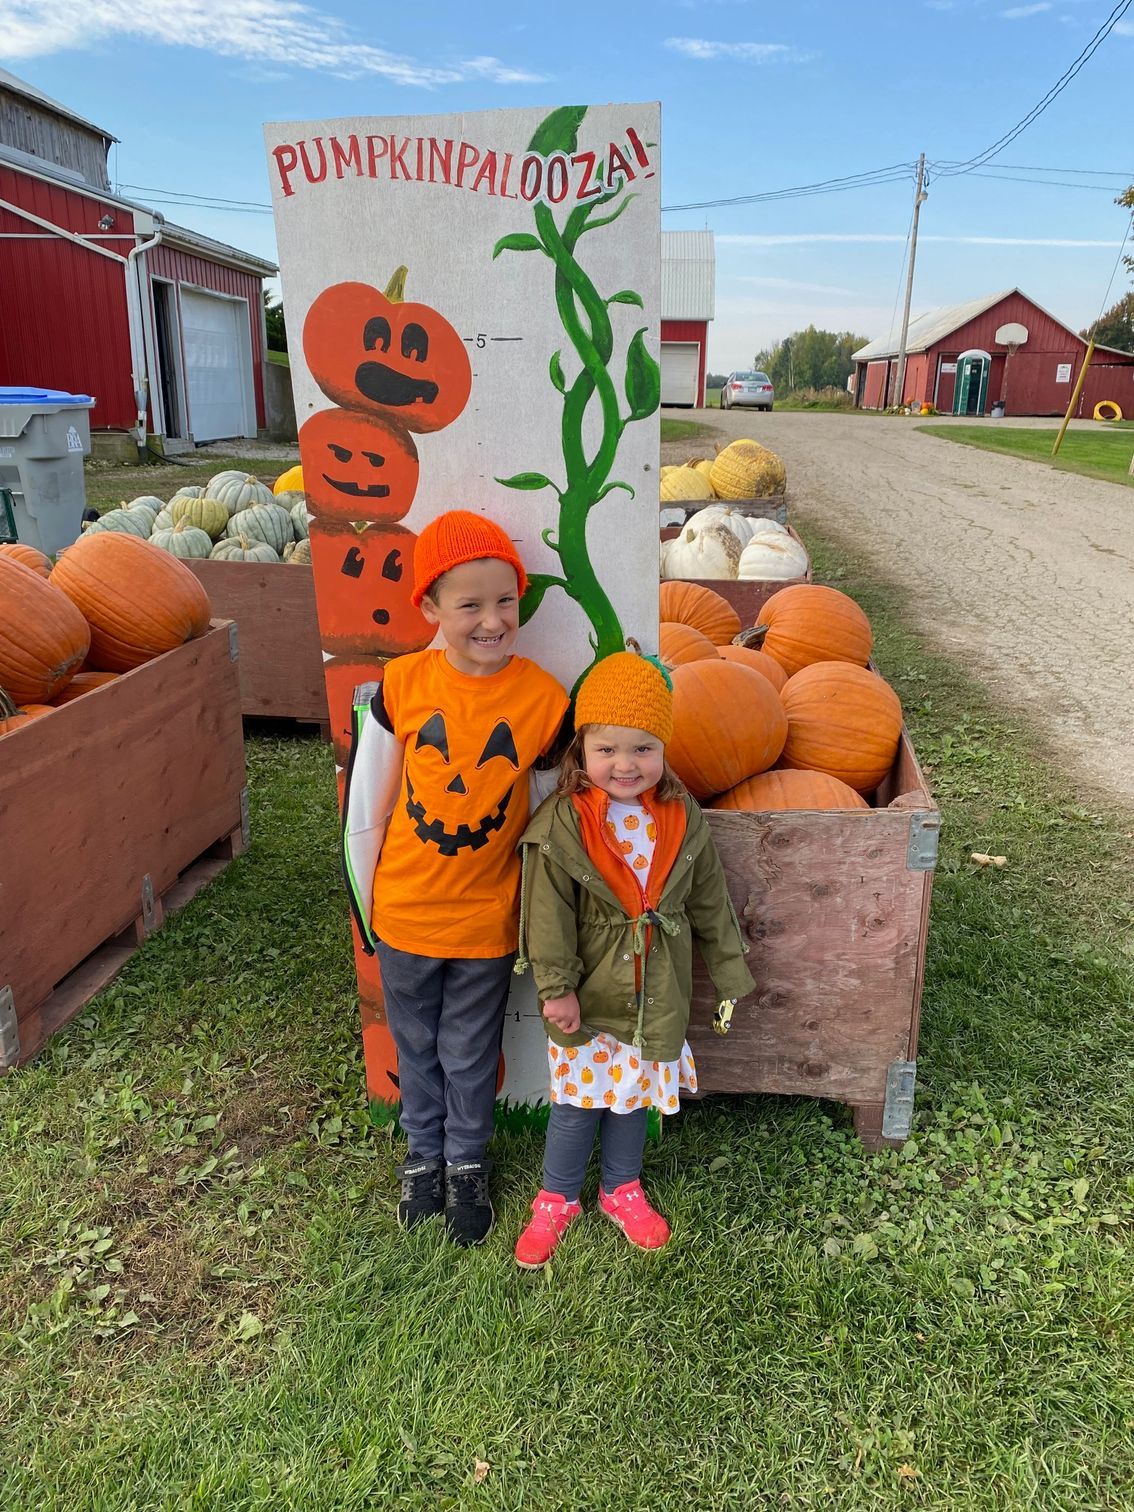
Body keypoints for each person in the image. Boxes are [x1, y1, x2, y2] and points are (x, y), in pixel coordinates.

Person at [342, 510, 568, 1247]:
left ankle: (466, 1163)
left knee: (470, 1050)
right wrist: (368, 913)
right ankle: (422, 1159)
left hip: (485, 923)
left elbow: (542, 825)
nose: (492, 620)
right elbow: (365, 814)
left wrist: (538, 922)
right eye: (469, 604)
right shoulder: (400, 688)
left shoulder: (541, 702)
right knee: (416, 1048)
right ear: (431, 609)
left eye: (505, 601)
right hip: (406, 915)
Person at [513, 651, 755, 1267]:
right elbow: (546, 915)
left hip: (657, 984)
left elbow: (709, 900)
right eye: (608, 749)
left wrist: (729, 970)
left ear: (665, 749)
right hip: (590, 989)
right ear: (582, 750)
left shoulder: (678, 816)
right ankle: (557, 1197)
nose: (625, 765)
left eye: (643, 749)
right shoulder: (563, 822)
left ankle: (622, 1186)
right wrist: (556, 987)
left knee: (633, 1095)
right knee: (578, 1100)